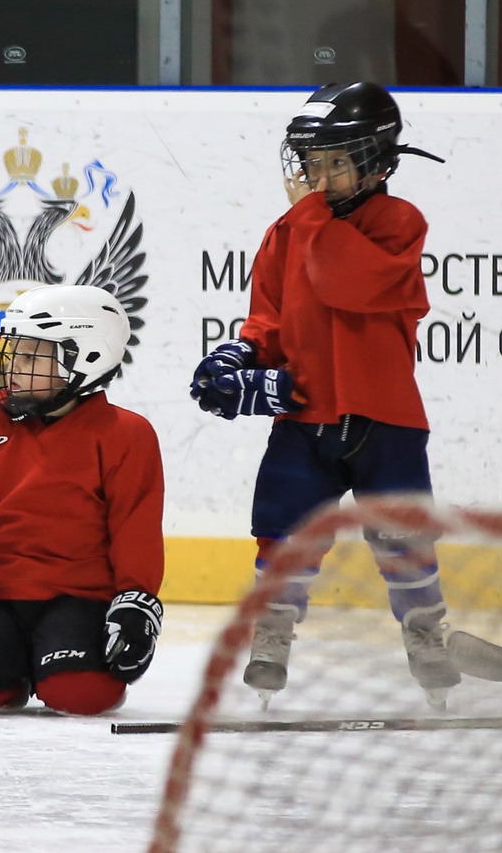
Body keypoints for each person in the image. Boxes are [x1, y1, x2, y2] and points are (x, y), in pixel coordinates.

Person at [189, 82, 460, 707]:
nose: (319, 178)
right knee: (282, 531)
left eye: (337, 163)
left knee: (402, 536)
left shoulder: (398, 223)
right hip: (304, 415)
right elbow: (269, 319)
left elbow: (347, 283)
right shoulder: (286, 231)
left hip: (384, 422)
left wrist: (307, 215)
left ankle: (426, 638)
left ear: (377, 162)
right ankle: (272, 636)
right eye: (312, 163)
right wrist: (242, 355)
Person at [0, 285, 164, 717]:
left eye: (31, 357)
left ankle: (47, 661)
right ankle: (16, 665)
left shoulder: (127, 435)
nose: (12, 367)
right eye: (13, 353)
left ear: (86, 359)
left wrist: (135, 599)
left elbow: (135, 530)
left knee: (82, 695)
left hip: (80, 597)